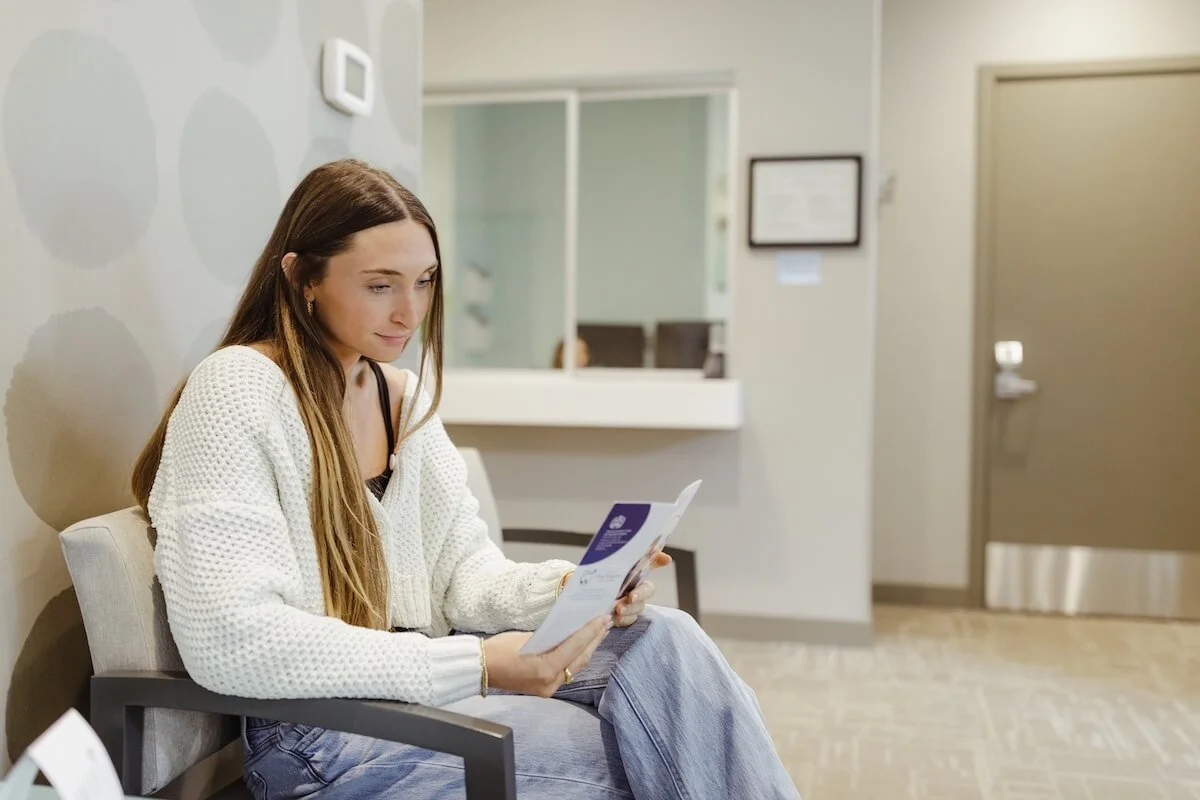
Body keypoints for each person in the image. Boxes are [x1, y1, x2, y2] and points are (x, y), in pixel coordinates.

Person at [132, 159, 799, 799]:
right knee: (663, 752)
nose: (409, 311)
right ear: (303, 277)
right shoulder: (237, 391)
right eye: (380, 284)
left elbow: (465, 575)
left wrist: (573, 589)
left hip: (419, 689)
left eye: (424, 281)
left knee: (668, 643)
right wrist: (477, 666)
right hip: (324, 738)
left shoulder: (401, 397)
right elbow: (233, 639)